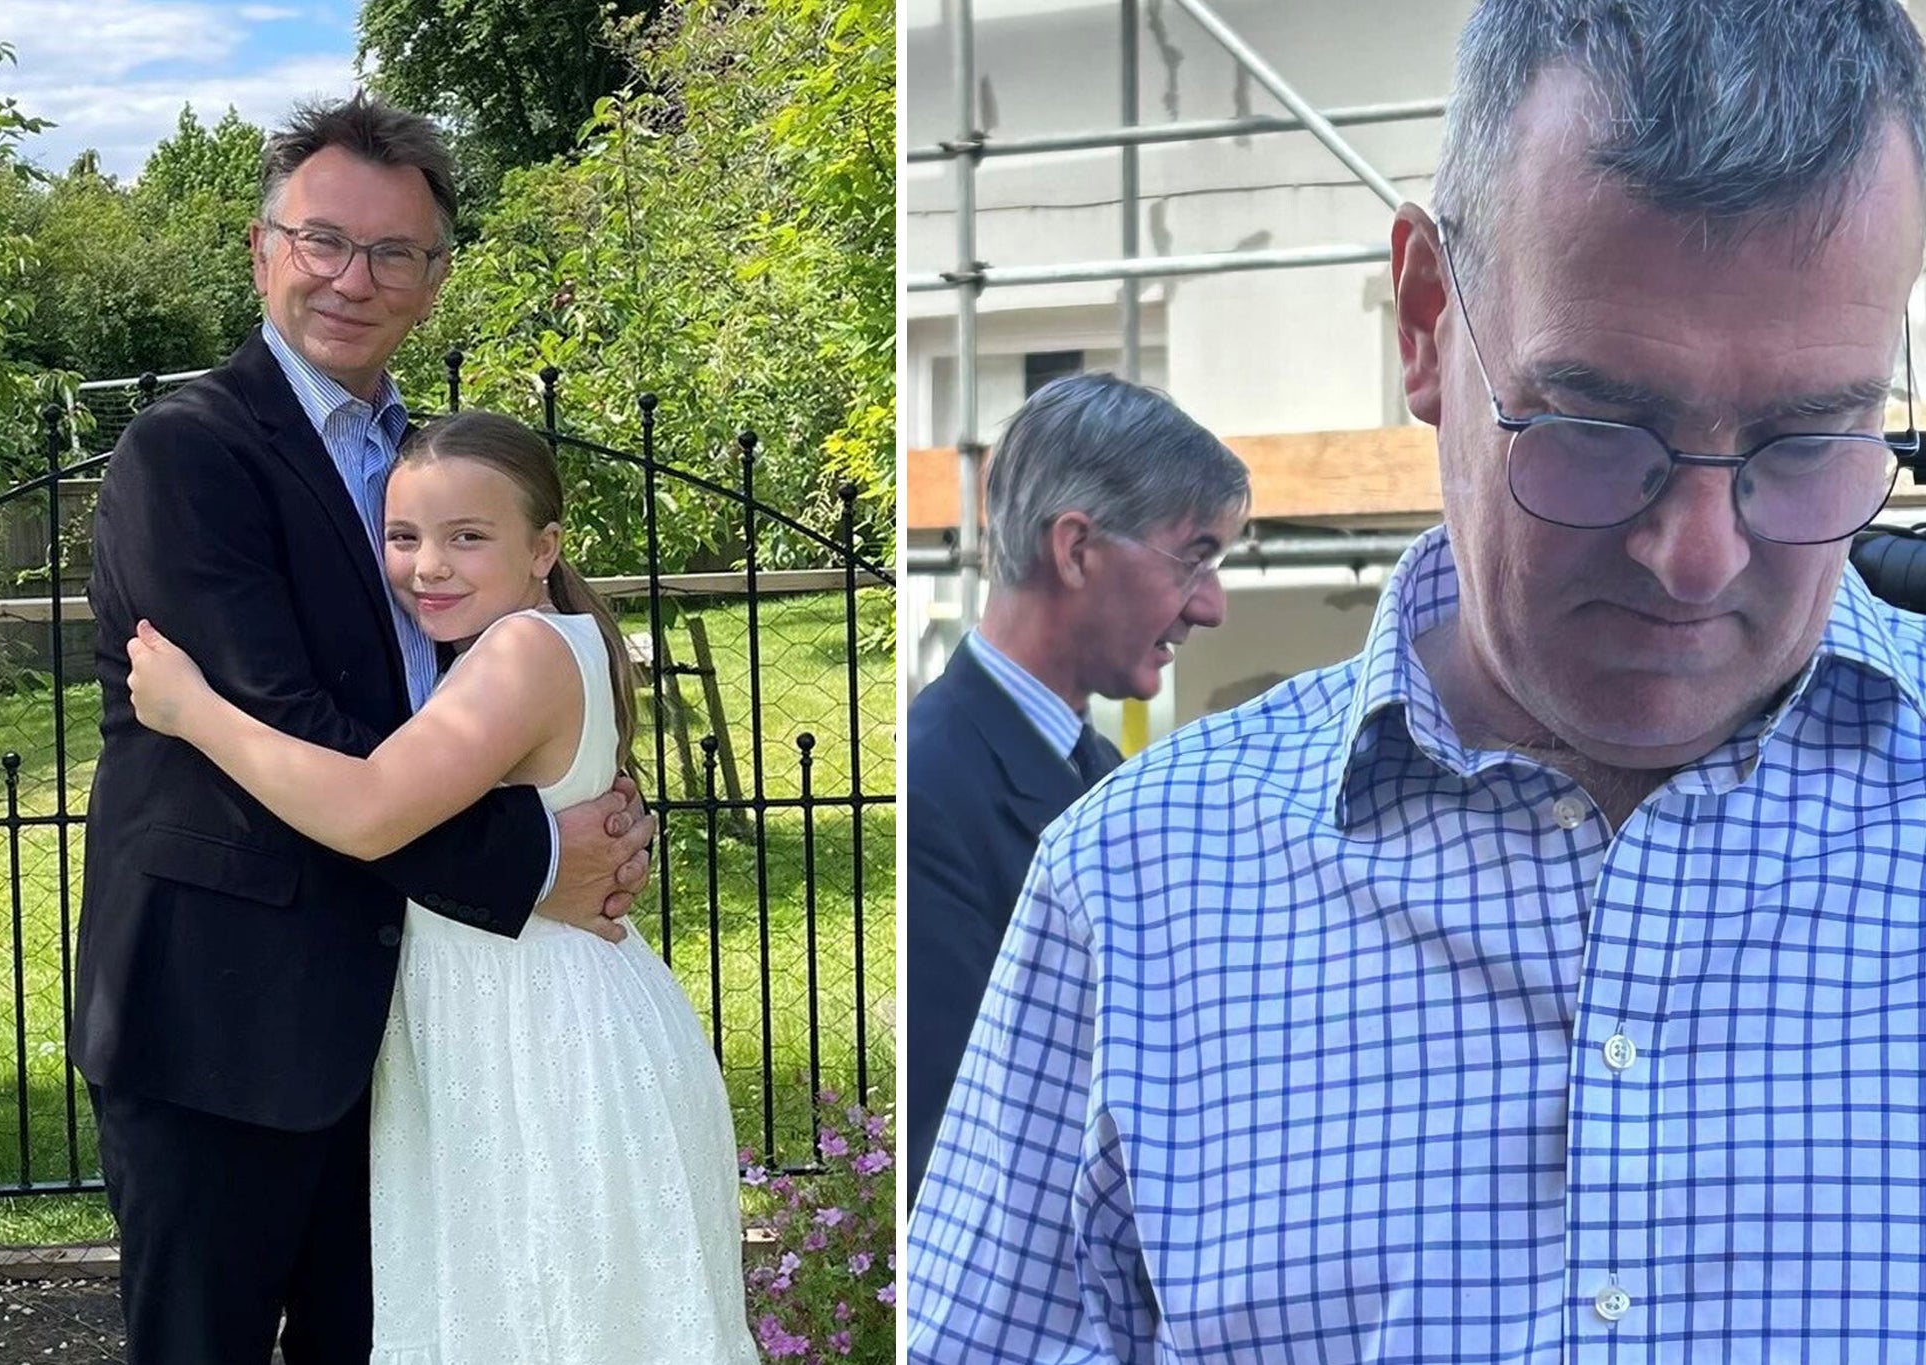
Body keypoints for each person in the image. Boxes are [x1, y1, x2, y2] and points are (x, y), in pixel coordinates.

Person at [906, 0, 1926, 1358]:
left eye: (1808, 440)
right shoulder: (1137, 889)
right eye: (1593, 424)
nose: (1696, 554)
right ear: (1430, 319)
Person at [74, 95, 654, 1365]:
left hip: (415, 1023)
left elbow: (498, 695)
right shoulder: (185, 457)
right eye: (323, 239)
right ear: (259, 248)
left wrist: (592, 802)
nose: (354, 278)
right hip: (226, 1016)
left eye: (395, 253)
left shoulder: (428, 468)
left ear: (435, 278)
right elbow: (305, 736)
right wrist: (543, 863)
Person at [125, 409, 759, 1364]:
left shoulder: (517, 653)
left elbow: (371, 808)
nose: (429, 566)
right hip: (542, 1004)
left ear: (544, 546)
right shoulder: (555, 638)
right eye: (404, 536)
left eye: (468, 537)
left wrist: (195, 710)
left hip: (538, 1032)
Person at [905, 373, 1249, 1203]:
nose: (1212, 606)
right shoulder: (931, 792)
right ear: (1075, 549)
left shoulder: (1101, 774)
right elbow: (960, 1157)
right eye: (1195, 555)